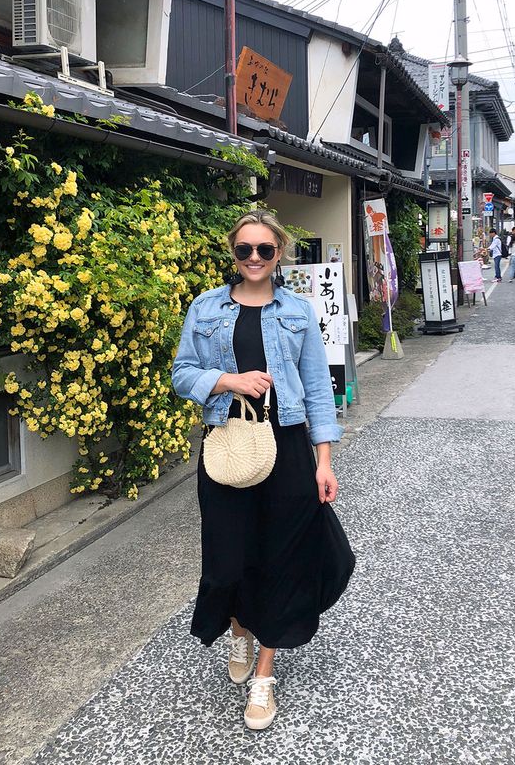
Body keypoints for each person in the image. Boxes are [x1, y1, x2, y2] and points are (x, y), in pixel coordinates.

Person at [172, 210, 355, 731]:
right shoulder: (205, 307)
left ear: (280, 255)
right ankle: (238, 628)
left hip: (289, 448)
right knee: (228, 559)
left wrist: (324, 461)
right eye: (245, 250)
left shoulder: (296, 311)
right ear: (233, 254)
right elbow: (182, 373)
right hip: (228, 444)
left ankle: (265, 676)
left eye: (265, 250)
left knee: (283, 558)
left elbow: (319, 390)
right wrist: (228, 380)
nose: (254, 258)